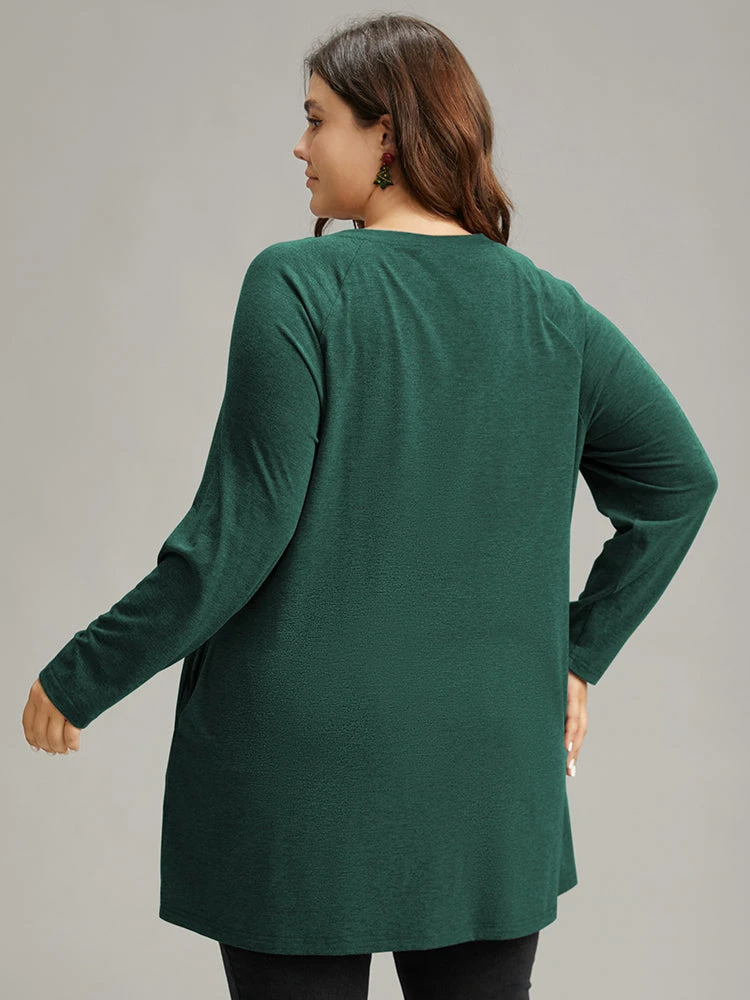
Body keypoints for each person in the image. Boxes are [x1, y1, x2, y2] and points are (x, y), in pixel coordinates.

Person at [22, 12, 719, 1000]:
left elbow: (238, 532)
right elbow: (680, 483)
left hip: (307, 777)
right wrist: (577, 655)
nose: (299, 145)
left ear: (385, 133)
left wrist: (81, 674)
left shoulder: (299, 285)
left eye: (317, 120)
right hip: (488, 775)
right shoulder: (553, 312)